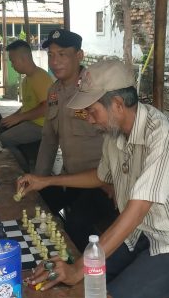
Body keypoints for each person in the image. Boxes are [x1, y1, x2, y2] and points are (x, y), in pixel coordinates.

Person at [20, 60, 169, 298]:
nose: (89, 119)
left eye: (92, 111)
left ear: (118, 105)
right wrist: (46, 181)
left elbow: (138, 209)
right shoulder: (114, 134)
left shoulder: (163, 134)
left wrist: (78, 268)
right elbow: (101, 176)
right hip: (142, 234)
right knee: (91, 286)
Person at [31, 29, 118, 251]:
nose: (55, 61)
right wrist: (39, 179)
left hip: (101, 183)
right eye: (51, 55)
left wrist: (114, 180)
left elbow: (118, 137)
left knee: (77, 224)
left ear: (79, 55)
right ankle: (48, 255)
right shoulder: (54, 92)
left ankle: (86, 267)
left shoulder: (96, 90)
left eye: (62, 54)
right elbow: (49, 140)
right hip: (69, 178)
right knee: (36, 204)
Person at [0, 39, 53, 172]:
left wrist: (20, 118)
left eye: (13, 61)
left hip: (43, 126)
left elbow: (47, 107)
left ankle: (21, 171)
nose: (12, 65)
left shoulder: (40, 77)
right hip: (31, 122)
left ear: (25, 58)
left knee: (4, 139)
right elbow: (27, 107)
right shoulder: (26, 79)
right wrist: (13, 117)